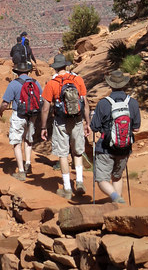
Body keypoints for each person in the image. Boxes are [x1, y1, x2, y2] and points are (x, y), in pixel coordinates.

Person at [40, 54, 91, 199]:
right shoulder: (77, 79)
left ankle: (67, 188)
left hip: (60, 121)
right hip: (76, 120)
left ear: (55, 68)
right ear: (66, 66)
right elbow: (85, 103)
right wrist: (87, 123)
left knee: (63, 154)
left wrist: (43, 127)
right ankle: (79, 182)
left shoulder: (52, 83)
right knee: (77, 151)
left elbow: (45, 108)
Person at [90, 70, 141, 204]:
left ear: (110, 85)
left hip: (105, 148)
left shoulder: (103, 103)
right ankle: (119, 205)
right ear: (124, 84)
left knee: (101, 179)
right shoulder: (133, 103)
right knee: (117, 177)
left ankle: (115, 198)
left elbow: (94, 127)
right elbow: (136, 128)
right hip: (124, 147)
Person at [0, 61, 42, 181]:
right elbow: (41, 99)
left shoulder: (13, 84)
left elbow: (5, 103)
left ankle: (21, 171)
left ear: (17, 72)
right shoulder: (36, 83)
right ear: (29, 71)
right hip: (32, 116)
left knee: (16, 142)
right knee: (28, 139)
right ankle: (28, 163)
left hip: (19, 115)